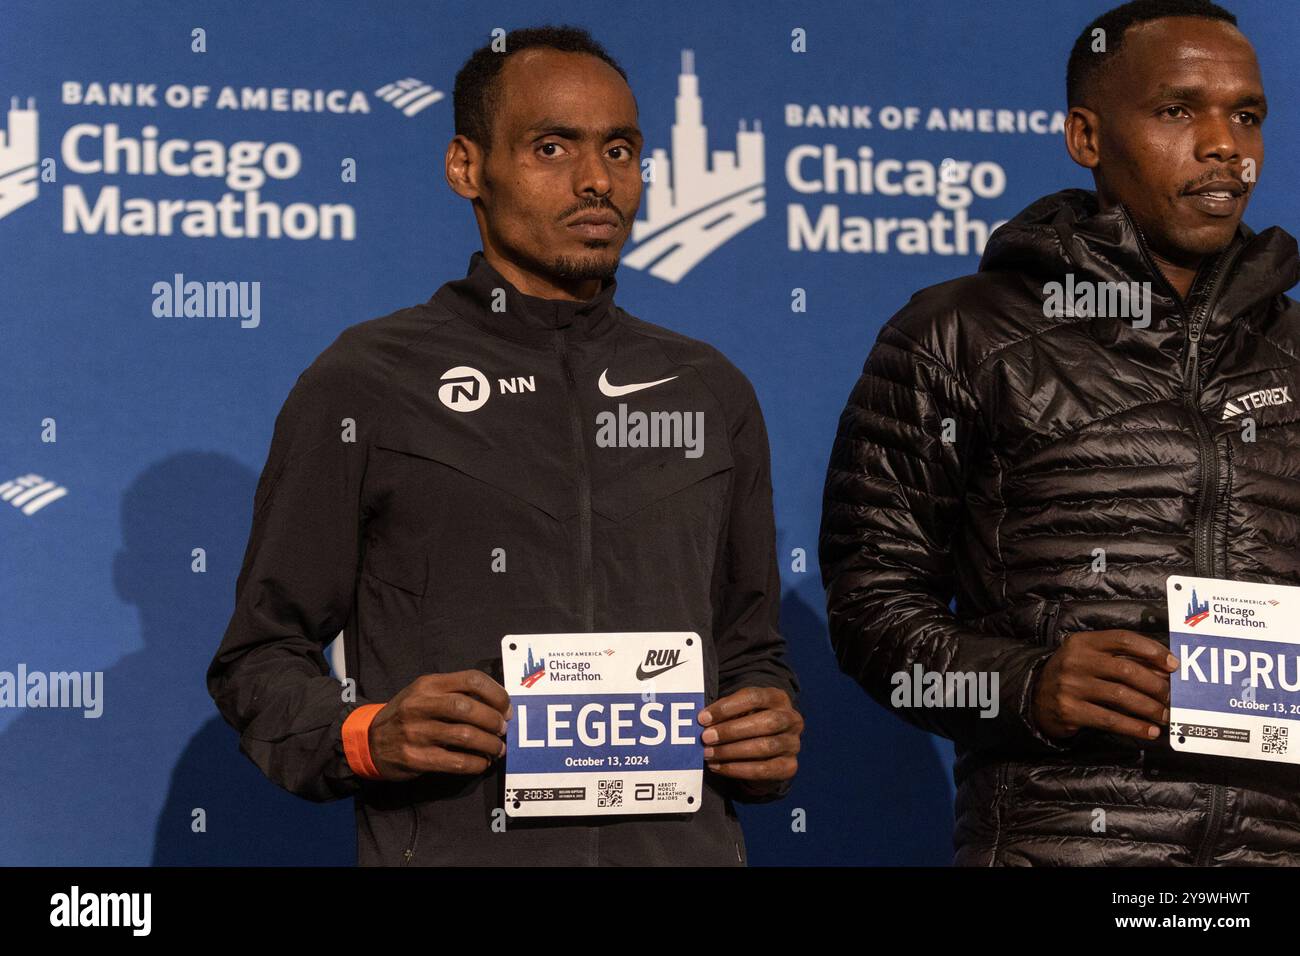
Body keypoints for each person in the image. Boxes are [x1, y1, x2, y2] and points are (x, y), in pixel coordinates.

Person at [208, 24, 802, 866]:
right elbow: (258, 658)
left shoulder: (708, 389)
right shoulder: (368, 381)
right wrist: (367, 733)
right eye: (551, 147)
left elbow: (750, 652)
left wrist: (767, 724)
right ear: (467, 168)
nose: (597, 180)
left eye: (622, 150)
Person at [819, 0, 1300, 865]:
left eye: (1248, 115)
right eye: (1178, 110)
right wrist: (1028, 685)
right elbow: (871, 610)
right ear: (1086, 136)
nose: (1227, 144)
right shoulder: (959, 334)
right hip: (1062, 845)